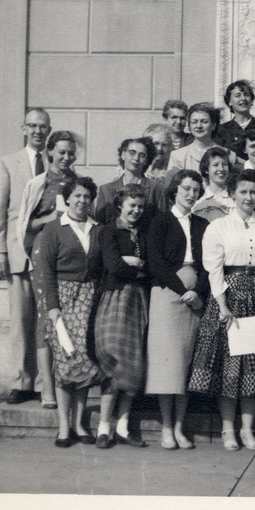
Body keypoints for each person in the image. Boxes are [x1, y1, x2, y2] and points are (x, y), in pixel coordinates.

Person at [189, 169, 255, 450]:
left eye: (253, 191)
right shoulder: (218, 227)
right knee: (229, 368)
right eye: (243, 192)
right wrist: (222, 304)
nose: (248, 197)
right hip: (228, 300)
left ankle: (247, 429)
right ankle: (227, 430)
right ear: (232, 194)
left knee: (253, 367)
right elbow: (214, 268)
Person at [0, 108, 52, 406]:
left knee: (46, 319)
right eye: (32, 126)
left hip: (50, 253)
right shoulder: (8, 163)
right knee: (21, 320)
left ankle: (44, 383)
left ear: (48, 130)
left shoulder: (57, 162)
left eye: (43, 126)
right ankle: (21, 380)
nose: (38, 131)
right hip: (18, 251)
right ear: (23, 129)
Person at [36, 177, 104, 447]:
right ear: (68, 198)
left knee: (85, 359)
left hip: (91, 298)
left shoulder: (98, 228)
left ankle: (79, 424)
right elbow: (44, 271)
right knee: (66, 359)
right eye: (77, 196)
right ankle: (64, 426)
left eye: (87, 196)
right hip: (63, 298)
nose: (82, 201)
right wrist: (52, 307)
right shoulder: (54, 228)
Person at [145, 170, 209, 450]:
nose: (191, 194)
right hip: (167, 296)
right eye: (186, 188)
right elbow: (156, 263)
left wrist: (199, 293)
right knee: (167, 367)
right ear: (175, 190)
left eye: (196, 189)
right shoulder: (159, 220)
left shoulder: (202, 224)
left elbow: (209, 264)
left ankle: (181, 428)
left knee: (186, 365)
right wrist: (184, 292)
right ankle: (167, 429)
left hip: (194, 301)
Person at [17, 129, 80, 410]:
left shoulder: (78, 183)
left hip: (70, 257)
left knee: (69, 318)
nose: (66, 157)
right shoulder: (37, 184)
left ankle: (68, 380)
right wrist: (49, 218)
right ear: (50, 152)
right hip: (43, 255)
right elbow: (25, 225)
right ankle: (47, 387)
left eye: (71, 153)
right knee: (46, 318)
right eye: (62, 152)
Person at [94, 185, 151, 449]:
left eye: (140, 206)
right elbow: (113, 267)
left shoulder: (145, 232)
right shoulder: (109, 230)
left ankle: (123, 427)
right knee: (112, 358)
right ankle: (103, 429)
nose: (136, 210)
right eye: (131, 205)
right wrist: (131, 264)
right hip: (115, 298)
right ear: (120, 204)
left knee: (133, 363)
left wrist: (134, 264)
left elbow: (150, 268)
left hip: (138, 301)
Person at [95, 136, 167, 227]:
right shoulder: (105, 190)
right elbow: (99, 227)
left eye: (142, 155)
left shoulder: (157, 190)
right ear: (123, 154)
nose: (136, 158)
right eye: (132, 153)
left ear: (146, 161)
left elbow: (162, 225)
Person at [216, 80, 255, 167]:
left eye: (246, 95)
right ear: (229, 101)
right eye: (238, 95)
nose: (243, 99)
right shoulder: (221, 130)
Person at [168, 102, 236, 175]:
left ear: (213, 125)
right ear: (189, 126)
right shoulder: (178, 156)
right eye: (194, 122)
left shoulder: (229, 155)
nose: (199, 126)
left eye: (204, 122)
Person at [192, 146, 236, 223]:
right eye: (216, 165)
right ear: (206, 169)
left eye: (225, 164)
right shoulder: (198, 199)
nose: (221, 169)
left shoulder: (235, 198)